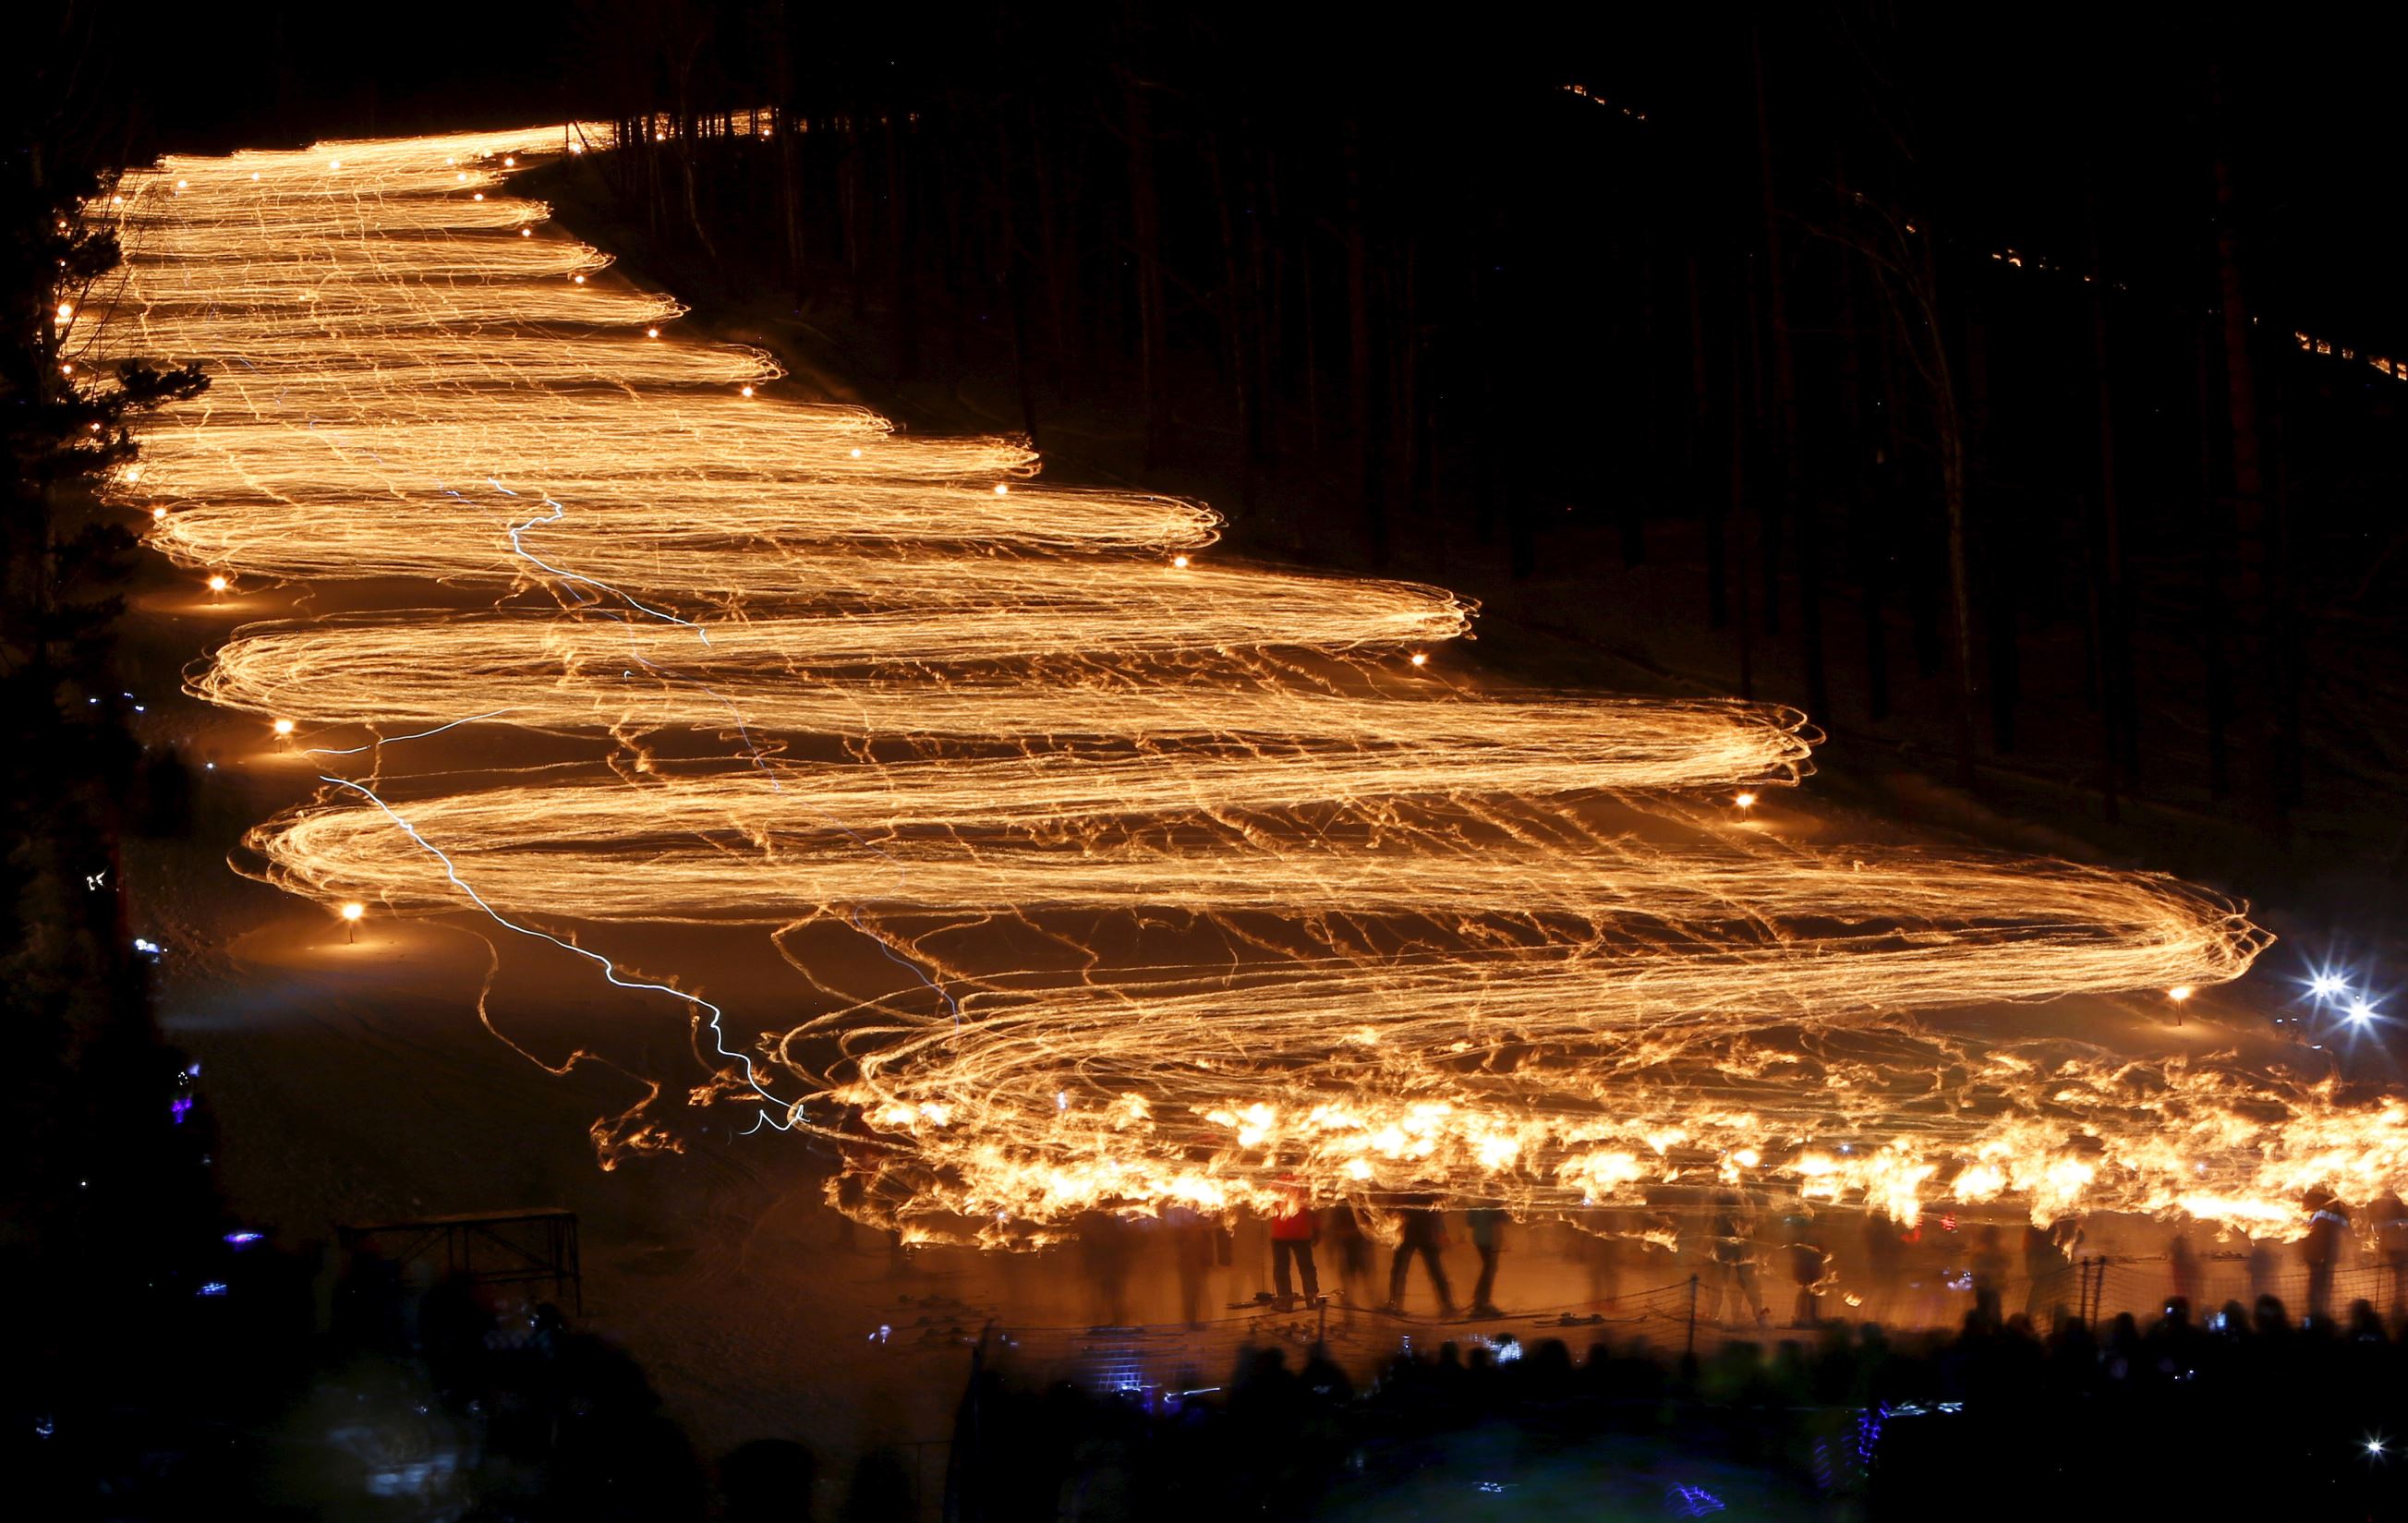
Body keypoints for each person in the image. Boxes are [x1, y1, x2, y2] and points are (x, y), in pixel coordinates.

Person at [1384, 1192, 1455, 1316]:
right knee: (1432, 1270)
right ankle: (1447, 1305)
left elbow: (1435, 1212)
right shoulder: (1423, 1190)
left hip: (1416, 1233)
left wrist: (1441, 1232)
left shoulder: (1417, 1190)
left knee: (1402, 1270)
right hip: (1415, 1233)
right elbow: (1436, 1213)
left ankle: (1394, 1303)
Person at [1707, 1191, 1769, 1328]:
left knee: (1726, 1281)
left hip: (1730, 1246)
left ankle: (1718, 1315)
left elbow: (1712, 1223)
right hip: (1736, 1246)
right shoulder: (1744, 1199)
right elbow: (1752, 1224)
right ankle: (1752, 1316)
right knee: (1744, 1281)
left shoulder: (1721, 1197)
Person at [1268, 1174, 1321, 1309]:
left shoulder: (1275, 1182)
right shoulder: (1305, 1181)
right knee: (1307, 1267)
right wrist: (1316, 1229)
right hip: (1301, 1232)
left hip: (1280, 1232)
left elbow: (1266, 1205)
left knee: (1281, 1268)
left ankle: (1285, 1300)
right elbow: (1313, 1208)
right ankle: (1312, 1297)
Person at [2303, 1189, 2351, 1322]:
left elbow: (2346, 1226)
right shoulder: (2322, 1210)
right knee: (2318, 1284)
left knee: (2320, 1284)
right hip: (2319, 1252)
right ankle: (2316, 1312)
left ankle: (2319, 1312)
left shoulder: (2323, 1210)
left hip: (2322, 1252)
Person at [1466, 1206, 1507, 1317]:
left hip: (1479, 1237)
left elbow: (1470, 1222)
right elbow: (1501, 1221)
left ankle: (1479, 1301)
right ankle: (1483, 1302)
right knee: (1490, 1267)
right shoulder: (1494, 1201)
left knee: (1488, 1267)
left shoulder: (1474, 1200)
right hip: (1491, 1237)